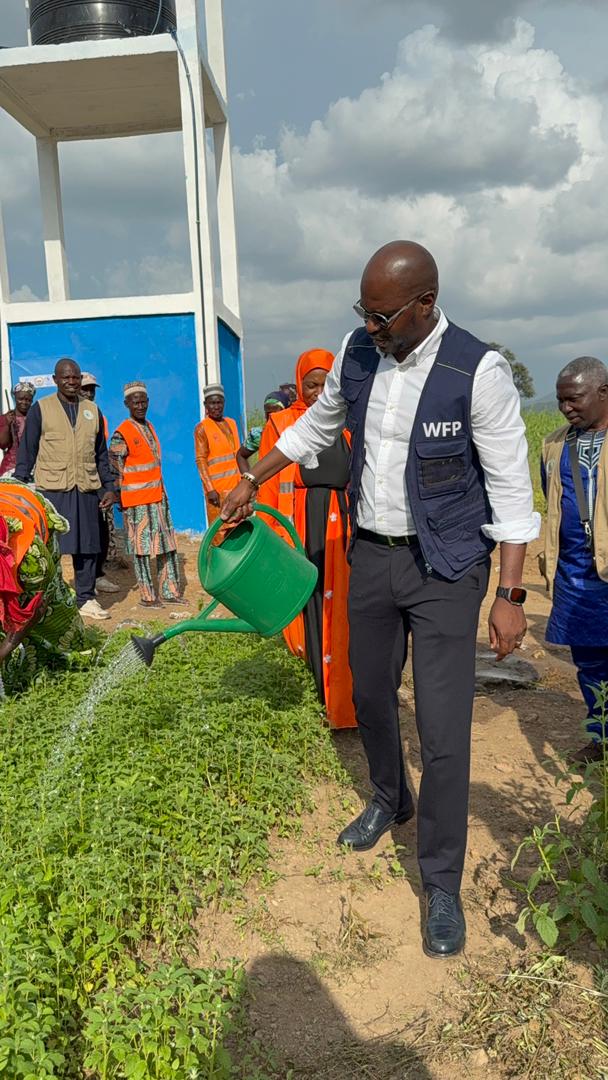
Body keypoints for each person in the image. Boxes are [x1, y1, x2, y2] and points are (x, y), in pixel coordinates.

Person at [221, 241, 539, 958]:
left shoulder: (477, 371)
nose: (370, 327)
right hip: (372, 556)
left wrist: (511, 593)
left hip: (446, 569)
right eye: (363, 312)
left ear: (425, 303)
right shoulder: (358, 352)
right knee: (367, 694)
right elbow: (316, 427)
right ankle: (390, 797)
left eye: (383, 316)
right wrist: (251, 476)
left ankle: (440, 882)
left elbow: (512, 490)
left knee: (443, 727)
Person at [258, 352, 355, 730]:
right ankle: (313, 701)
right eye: (310, 385)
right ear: (299, 384)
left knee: (343, 611)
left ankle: (345, 705)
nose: (317, 392)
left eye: (325, 384)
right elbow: (268, 485)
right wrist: (271, 538)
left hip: (342, 527)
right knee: (307, 607)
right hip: (301, 525)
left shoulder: (349, 422)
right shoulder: (282, 423)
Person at [541, 356, 608, 764]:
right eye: (560, 400)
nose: (566, 408)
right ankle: (601, 739)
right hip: (575, 572)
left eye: (575, 399)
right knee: (589, 662)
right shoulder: (553, 445)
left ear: (603, 393)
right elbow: (551, 500)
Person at [15, 358, 117, 621]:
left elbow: (101, 454)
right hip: (54, 489)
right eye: (66, 377)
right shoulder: (41, 409)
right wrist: (20, 484)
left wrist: (108, 487)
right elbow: (28, 450)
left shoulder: (92, 410)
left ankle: (86, 598)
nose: (71, 382)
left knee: (88, 547)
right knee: (52, 549)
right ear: (55, 380)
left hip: (86, 488)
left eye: (75, 377)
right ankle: (50, 599)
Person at [0, 477, 89, 691]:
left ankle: (69, 664)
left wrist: (3, 652)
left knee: (53, 614)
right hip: (6, 500)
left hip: (31, 509)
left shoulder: (34, 560)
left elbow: (37, 608)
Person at [110, 382, 183, 608]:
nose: (140, 406)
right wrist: (118, 495)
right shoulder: (122, 433)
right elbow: (114, 468)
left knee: (167, 545)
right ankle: (148, 597)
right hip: (137, 502)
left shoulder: (150, 426)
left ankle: (169, 592)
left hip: (158, 498)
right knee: (142, 551)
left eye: (143, 402)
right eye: (136, 402)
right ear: (127, 404)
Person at [79, 372, 120, 596]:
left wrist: (108, 485)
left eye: (92, 389)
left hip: (98, 481)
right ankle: (86, 580)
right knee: (85, 533)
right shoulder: (71, 414)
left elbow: (102, 454)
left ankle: (98, 575)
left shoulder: (97, 415)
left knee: (102, 530)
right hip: (80, 482)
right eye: (85, 388)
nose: (89, 393)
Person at [194, 384, 240, 525]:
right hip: (217, 492)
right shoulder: (202, 428)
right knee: (220, 530)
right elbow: (201, 460)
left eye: (219, 402)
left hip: (237, 488)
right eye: (212, 403)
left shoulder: (232, 423)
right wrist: (210, 489)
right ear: (205, 405)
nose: (216, 407)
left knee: (239, 527)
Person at [236, 390, 290, 473]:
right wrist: (249, 478)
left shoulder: (293, 433)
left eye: (275, 413)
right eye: (268, 413)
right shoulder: (260, 435)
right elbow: (241, 455)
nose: (271, 416)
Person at [0, 382, 36, 477]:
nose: (24, 402)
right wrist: (7, 425)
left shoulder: (36, 418)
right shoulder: (5, 418)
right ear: (15, 397)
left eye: (28, 400)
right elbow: (3, 444)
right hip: (10, 467)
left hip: (33, 467)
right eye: (20, 399)